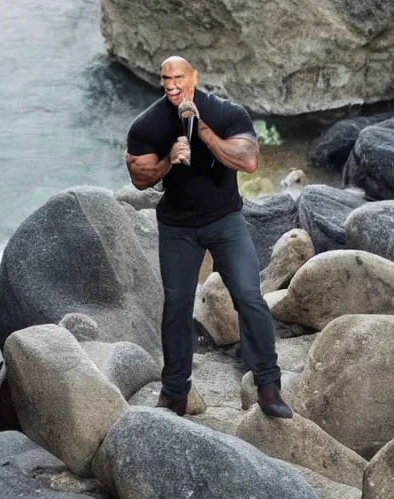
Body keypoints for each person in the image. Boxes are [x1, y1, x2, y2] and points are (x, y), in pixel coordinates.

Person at [125, 56, 292, 419]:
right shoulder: (149, 123)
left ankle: (267, 385)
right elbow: (140, 177)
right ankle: (174, 394)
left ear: (194, 78)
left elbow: (248, 161)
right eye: (165, 78)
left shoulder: (225, 112)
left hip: (225, 220)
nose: (171, 85)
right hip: (177, 227)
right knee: (177, 306)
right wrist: (169, 159)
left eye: (179, 78)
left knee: (249, 296)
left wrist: (201, 131)